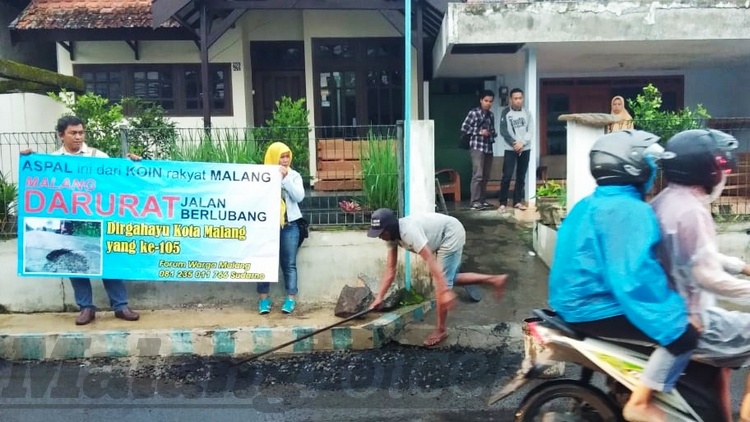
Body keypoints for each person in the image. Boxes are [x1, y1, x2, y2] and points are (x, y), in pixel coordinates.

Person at [547, 129, 700, 422]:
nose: (654, 171)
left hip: (575, 302)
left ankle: (622, 389)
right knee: (683, 338)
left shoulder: (591, 202)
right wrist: (676, 318)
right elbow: (635, 279)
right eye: (649, 163)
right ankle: (640, 403)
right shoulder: (629, 210)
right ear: (632, 166)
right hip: (596, 308)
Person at [651, 129, 750, 422]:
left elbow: (692, 254)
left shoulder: (666, 200)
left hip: (676, 309)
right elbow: (706, 275)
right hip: (694, 318)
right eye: (722, 168)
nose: (724, 175)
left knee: (723, 369)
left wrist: (741, 267)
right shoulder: (692, 211)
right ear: (706, 170)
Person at [21, 115, 141, 325]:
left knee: (107, 261)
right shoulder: (52, 161)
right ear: (61, 136)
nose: (78, 137)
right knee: (74, 262)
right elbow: (40, 185)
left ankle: (120, 306)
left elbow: (119, 178)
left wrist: (132, 165)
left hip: (98, 219)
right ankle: (86, 308)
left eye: (81, 133)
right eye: (73, 133)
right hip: (69, 221)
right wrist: (29, 160)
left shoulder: (98, 156)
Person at [367, 208, 508, 347]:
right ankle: (494, 280)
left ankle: (441, 330)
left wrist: (445, 290)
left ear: (390, 228)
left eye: (381, 233)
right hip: (444, 235)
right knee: (447, 279)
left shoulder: (408, 232)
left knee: (441, 285)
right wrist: (379, 297)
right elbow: (390, 269)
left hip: (451, 234)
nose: (380, 237)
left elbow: (430, 259)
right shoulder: (391, 237)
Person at [256, 142, 305, 315]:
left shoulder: (294, 175)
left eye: (287, 156)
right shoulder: (261, 175)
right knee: (264, 262)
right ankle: (263, 300)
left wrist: (285, 179)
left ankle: (290, 299)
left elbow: (299, 197)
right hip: (267, 226)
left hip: (289, 225)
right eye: (281, 157)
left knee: (289, 263)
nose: (285, 160)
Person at [498, 88, 534, 212]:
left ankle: (517, 201)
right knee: (507, 175)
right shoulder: (506, 112)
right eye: (515, 98)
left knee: (521, 175)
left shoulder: (527, 113)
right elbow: (503, 131)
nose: (518, 101)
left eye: (520, 98)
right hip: (510, 148)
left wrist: (522, 143)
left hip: (525, 148)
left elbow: (531, 130)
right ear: (510, 99)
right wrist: (515, 144)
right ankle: (503, 202)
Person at [460, 89, 497, 210]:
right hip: (477, 146)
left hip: (488, 147)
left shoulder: (491, 115)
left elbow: (493, 130)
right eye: (486, 100)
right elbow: (464, 128)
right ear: (481, 100)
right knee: (478, 175)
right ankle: (474, 201)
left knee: (486, 176)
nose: (488, 103)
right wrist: (479, 132)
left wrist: (491, 133)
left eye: (490, 101)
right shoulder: (474, 113)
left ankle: (482, 200)